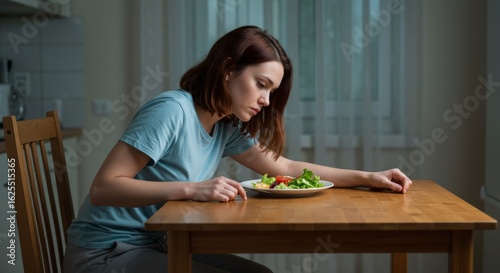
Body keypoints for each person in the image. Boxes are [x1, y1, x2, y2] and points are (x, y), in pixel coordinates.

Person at [63, 25, 412, 273]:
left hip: (156, 246)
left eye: (272, 91)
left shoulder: (222, 125)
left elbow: (286, 169)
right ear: (229, 70)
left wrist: (369, 177)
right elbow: (103, 188)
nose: (266, 100)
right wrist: (193, 189)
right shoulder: (172, 110)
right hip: (103, 255)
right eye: (261, 85)